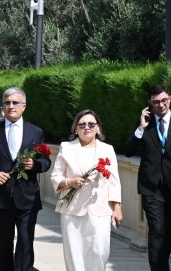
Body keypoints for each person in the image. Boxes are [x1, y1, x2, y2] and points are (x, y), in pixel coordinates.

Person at [123, 84, 171, 271]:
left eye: (164, 100)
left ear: (170, 99)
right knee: (157, 230)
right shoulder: (145, 123)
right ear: (150, 102)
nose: (161, 105)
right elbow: (127, 151)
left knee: (168, 230)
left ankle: (161, 264)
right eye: (156, 102)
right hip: (151, 188)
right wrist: (140, 129)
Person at [0, 86, 51, 271]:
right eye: (7, 103)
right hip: (1, 198)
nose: (11, 106)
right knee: (3, 246)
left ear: (23, 106)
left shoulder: (36, 132)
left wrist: (34, 165)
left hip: (27, 198)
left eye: (15, 102)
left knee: (25, 243)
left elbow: (46, 161)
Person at [50, 109, 122, 271]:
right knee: (74, 253)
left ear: (98, 127)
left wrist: (117, 208)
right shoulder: (66, 147)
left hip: (101, 208)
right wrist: (70, 182)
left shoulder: (107, 149)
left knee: (100, 251)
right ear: (75, 129)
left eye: (91, 124)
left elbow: (114, 181)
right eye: (82, 125)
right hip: (72, 210)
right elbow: (55, 177)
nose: (87, 127)